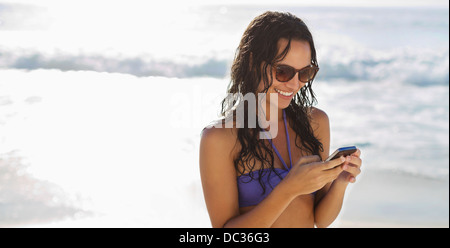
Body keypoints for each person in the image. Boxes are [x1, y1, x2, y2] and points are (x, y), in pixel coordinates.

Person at [199, 11, 362, 228]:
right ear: (252, 62)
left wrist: (341, 182)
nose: (295, 84)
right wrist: (289, 189)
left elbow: (320, 220)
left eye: (305, 72)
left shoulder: (315, 123)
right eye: (283, 72)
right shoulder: (219, 138)